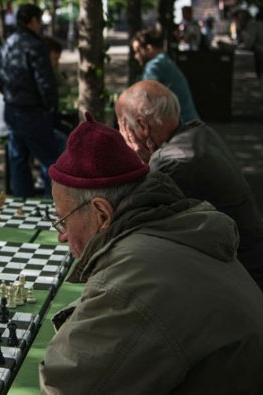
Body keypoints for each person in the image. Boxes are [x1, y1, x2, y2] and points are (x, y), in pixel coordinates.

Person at [40, 115, 263, 393]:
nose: (62, 235)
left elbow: (65, 386)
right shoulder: (174, 227)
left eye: (63, 219)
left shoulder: (130, 279)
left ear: (101, 213)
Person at [115, 80, 263, 290]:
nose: (122, 135)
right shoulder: (199, 131)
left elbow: (129, 221)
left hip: (242, 280)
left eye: (121, 124)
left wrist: (139, 161)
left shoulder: (173, 164)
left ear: (142, 126)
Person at [0, 4, 59, 198]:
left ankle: (22, 205)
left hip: (12, 109)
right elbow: (44, 80)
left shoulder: (8, 43)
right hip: (32, 112)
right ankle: (53, 205)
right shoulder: (35, 45)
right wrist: (50, 105)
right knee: (50, 159)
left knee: (19, 160)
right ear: (33, 20)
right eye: (39, 20)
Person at [131, 27, 200, 123]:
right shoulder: (164, 61)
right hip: (190, 124)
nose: (136, 56)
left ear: (149, 48)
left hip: (182, 127)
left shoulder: (155, 65)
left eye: (138, 50)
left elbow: (145, 99)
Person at [234, 9, 263, 89]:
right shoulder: (253, 24)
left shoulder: (252, 25)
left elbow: (248, 44)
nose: (237, 22)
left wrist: (241, 30)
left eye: (238, 19)